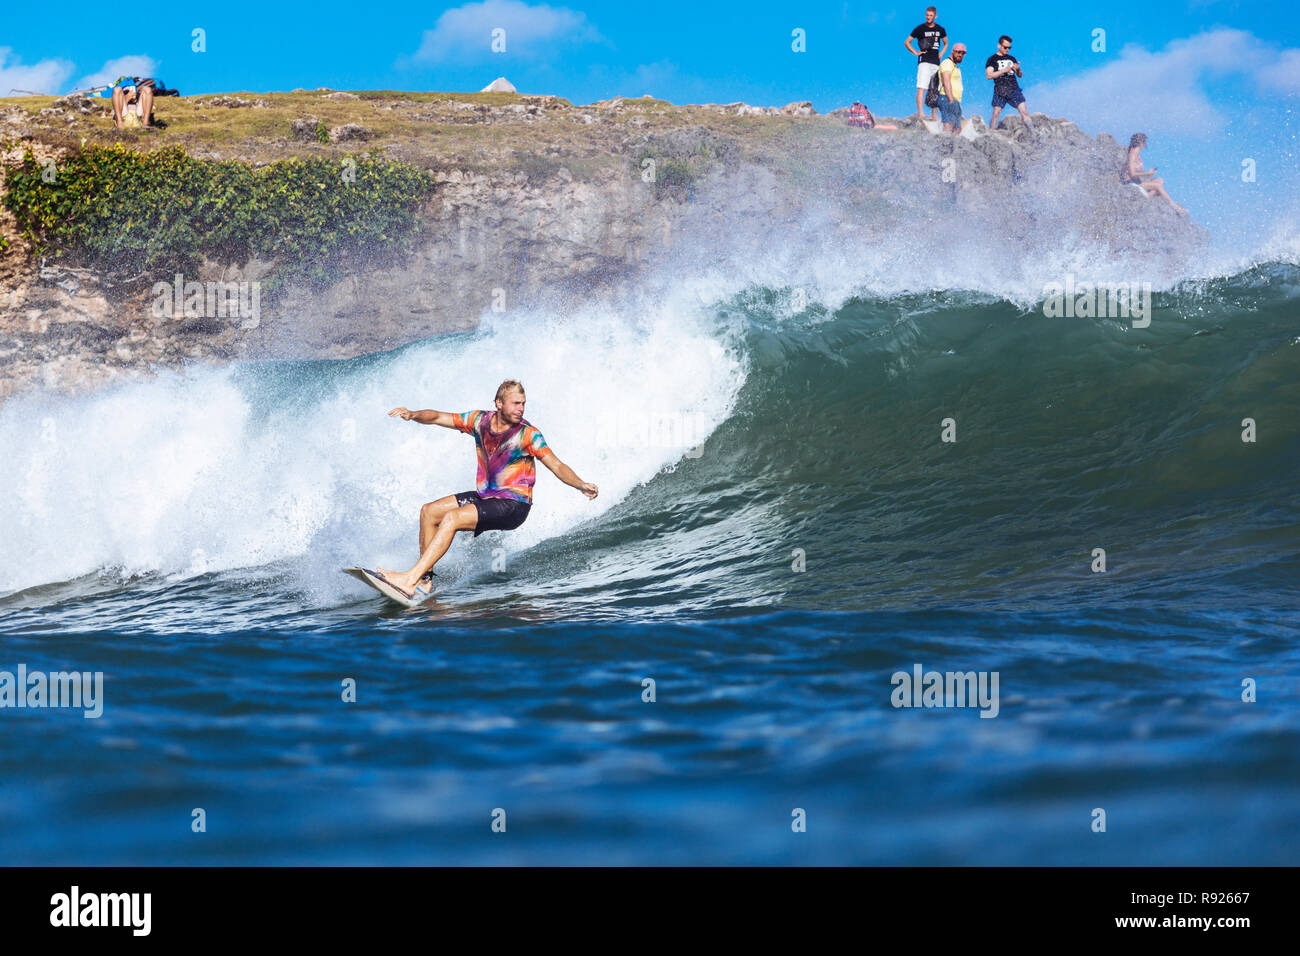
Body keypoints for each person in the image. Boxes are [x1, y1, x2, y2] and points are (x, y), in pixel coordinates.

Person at [377, 380, 598, 597]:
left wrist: (580, 484)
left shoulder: (528, 434)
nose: (520, 409)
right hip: (487, 497)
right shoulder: (479, 421)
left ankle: (409, 579)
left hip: (514, 505)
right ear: (499, 403)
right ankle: (424, 582)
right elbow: (438, 417)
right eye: (515, 403)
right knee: (429, 511)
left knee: (452, 519)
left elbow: (557, 465)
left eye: (523, 403)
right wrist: (413, 414)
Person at [1120, 133, 1188, 215]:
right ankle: (1175, 207)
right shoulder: (1132, 154)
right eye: (1145, 142)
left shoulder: (1137, 154)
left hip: (1137, 182)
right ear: (1142, 143)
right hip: (1130, 183)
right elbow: (1132, 173)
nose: (1146, 144)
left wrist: (1148, 174)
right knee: (1158, 186)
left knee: (1160, 180)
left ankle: (1148, 196)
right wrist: (1147, 173)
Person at [905, 7, 948, 121]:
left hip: (936, 62)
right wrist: (916, 52)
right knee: (922, 87)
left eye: (930, 15)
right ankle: (921, 114)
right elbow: (907, 42)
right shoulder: (920, 28)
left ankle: (934, 115)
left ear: (935, 16)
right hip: (924, 61)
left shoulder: (940, 29)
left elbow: (946, 43)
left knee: (934, 90)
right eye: (927, 15)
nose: (928, 17)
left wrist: (941, 54)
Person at [985, 35, 1033, 131]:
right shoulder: (992, 59)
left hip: (1013, 89)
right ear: (999, 45)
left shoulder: (1012, 58)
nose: (1007, 49)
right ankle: (991, 134)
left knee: (1024, 111)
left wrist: (1018, 69)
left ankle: (1033, 133)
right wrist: (1003, 70)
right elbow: (989, 75)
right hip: (1000, 90)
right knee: (996, 113)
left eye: (1009, 48)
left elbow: (1019, 75)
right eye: (1005, 47)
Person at [937, 43, 966, 135]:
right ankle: (942, 146)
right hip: (947, 98)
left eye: (963, 53)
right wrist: (950, 99)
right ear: (952, 51)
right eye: (958, 52)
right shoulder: (947, 63)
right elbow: (946, 81)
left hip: (955, 100)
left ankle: (951, 146)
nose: (960, 55)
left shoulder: (955, 66)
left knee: (957, 128)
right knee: (948, 126)